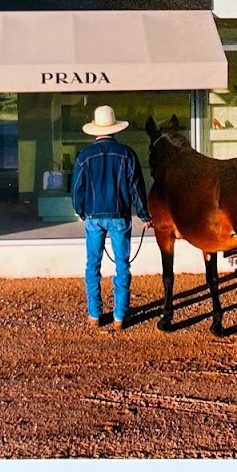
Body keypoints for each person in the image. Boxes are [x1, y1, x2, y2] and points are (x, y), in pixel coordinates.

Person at [70, 105, 151, 330]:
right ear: (116, 129)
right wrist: (144, 215)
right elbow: (136, 188)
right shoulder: (127, 154)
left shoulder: (84, 156)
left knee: (93, 264)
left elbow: (77, 189)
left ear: (95, 130)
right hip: (119, 215)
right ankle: (119, 316)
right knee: (122, 264)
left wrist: (81, 210)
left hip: (94, 216)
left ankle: (95, 314)